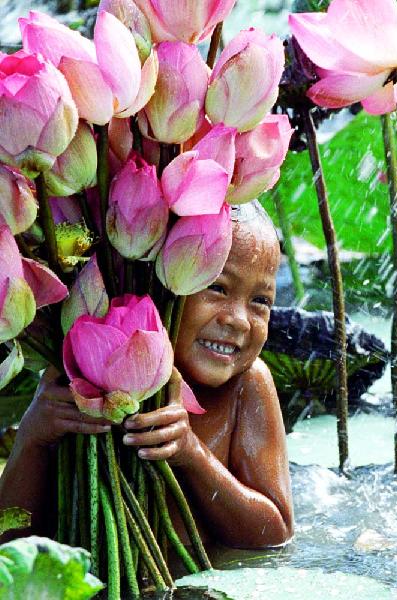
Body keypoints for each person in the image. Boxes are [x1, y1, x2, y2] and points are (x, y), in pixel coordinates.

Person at [0, 202, 294, 551]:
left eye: (261, 300)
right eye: (217, 288)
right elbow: (9, 540)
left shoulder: (247, 385)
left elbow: (275, 533)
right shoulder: (81, 370)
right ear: (160, 277)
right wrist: (34, 436)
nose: (240, 320)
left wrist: (192, 454)